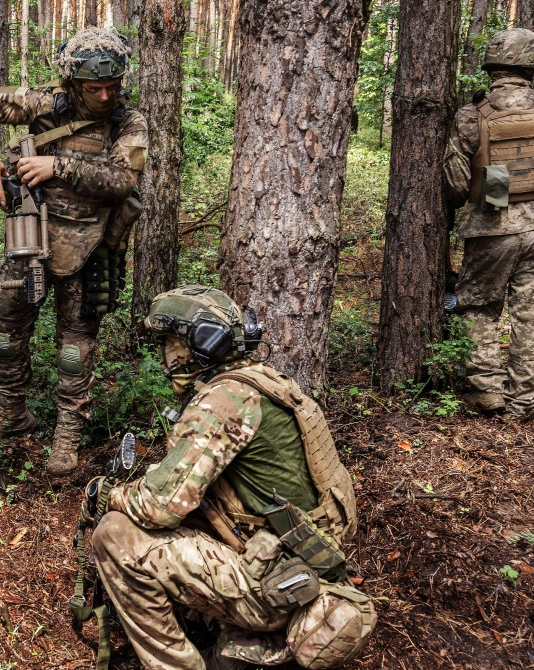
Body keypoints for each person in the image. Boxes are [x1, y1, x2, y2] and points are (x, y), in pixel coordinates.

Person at [84, 286, 373, 670]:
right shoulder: (263, 382)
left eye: (172, 343)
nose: (167, 356)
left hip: (277, 588)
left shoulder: (226, 399)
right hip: (300, 570)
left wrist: (105, 495)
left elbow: (158, 507)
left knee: (114, 535)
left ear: (203, 345)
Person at [0, 27, 148, 476]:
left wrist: (55, 165)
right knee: (6, 336)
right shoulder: (44, 102)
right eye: (93, 88)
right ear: (72, 82)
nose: (104, 95)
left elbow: (124, 181)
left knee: (74, 349)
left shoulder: (129, 122)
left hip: (90, 246)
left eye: (112, 86)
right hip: (29, 239)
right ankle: (12, 416)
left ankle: (65, 439)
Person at [443, 28, 534, 417]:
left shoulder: (471, 114)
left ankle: (487, 389)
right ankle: (524, 400)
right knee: (532, 313)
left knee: (478, 308)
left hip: (491, 226)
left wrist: (455, 209)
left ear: (491, 65)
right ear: (532, 63)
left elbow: (456, 184)